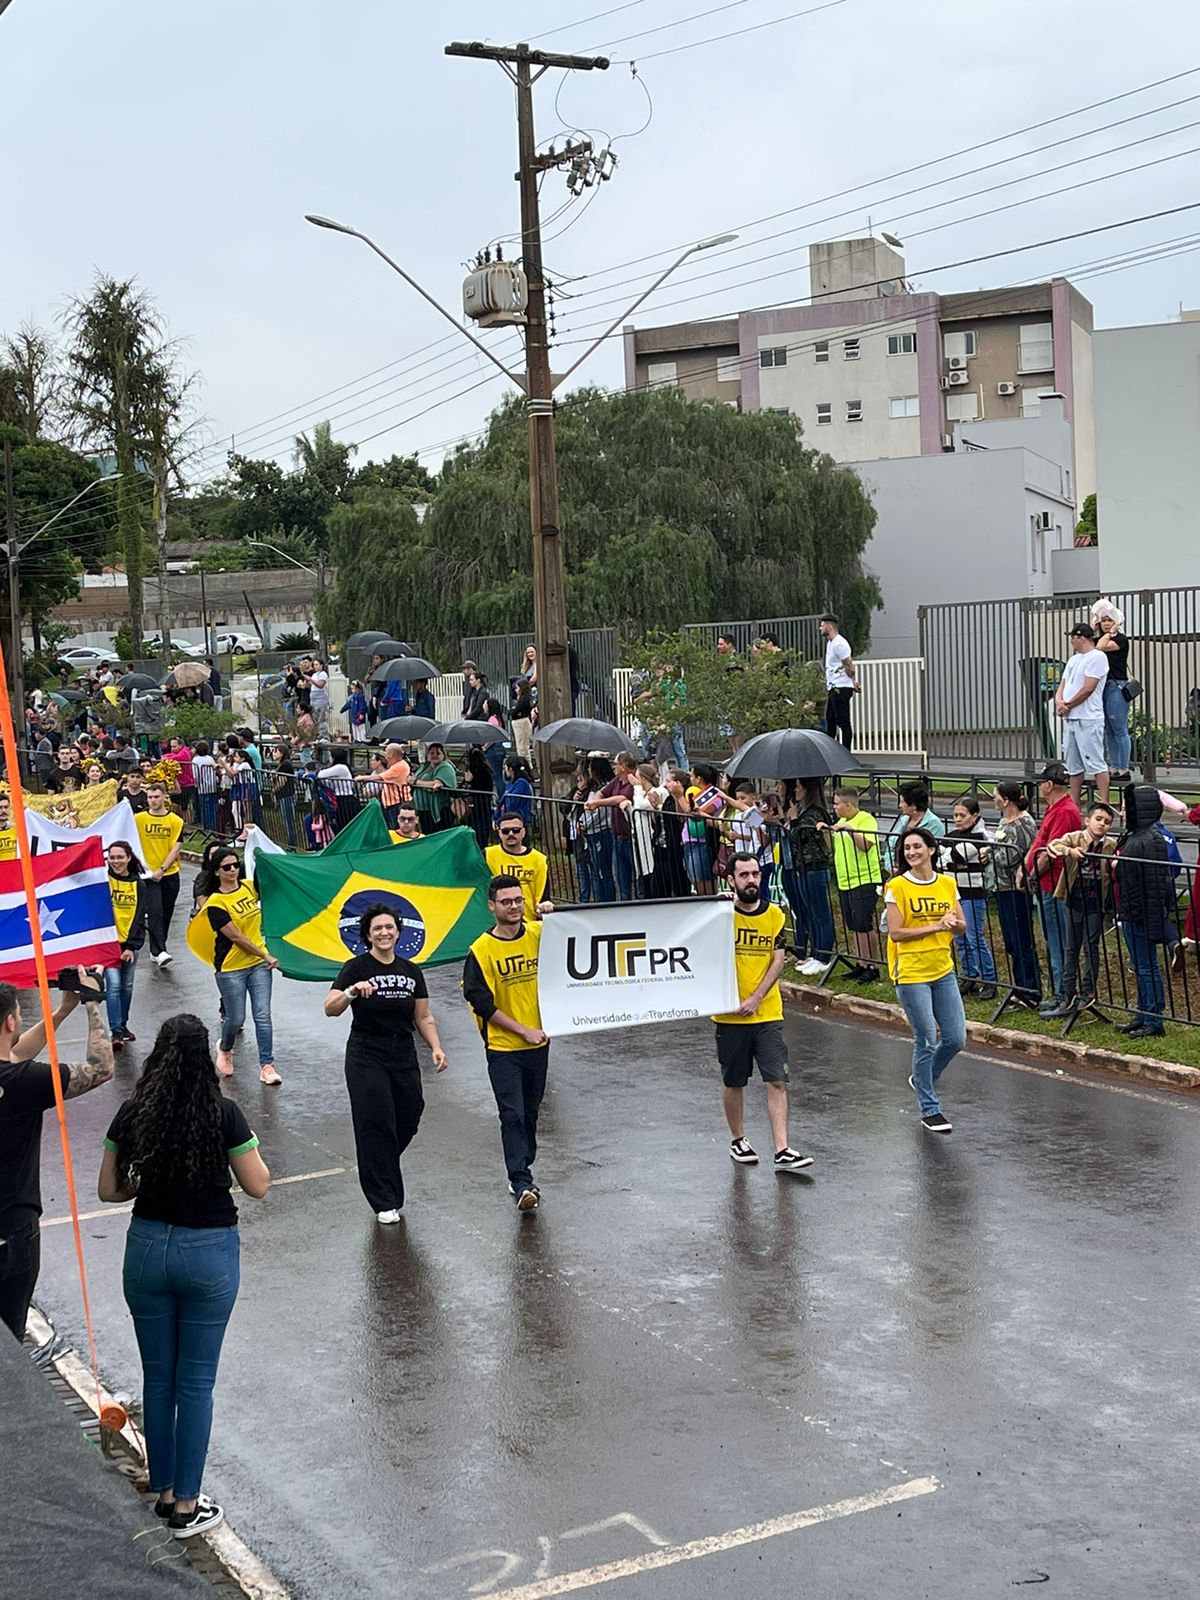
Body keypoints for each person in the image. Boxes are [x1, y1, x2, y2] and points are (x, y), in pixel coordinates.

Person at [96, 1014, 270, 1539]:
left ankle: (164, 1487)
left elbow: (109, 1190)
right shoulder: (224, 1114)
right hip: (208, 1252)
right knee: (196, 1382)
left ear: (158, 1055)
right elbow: (259, 1184)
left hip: (147, 1248)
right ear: (203, 1061)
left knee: (159, 1376)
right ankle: (187, 1505)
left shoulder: (133, 1114)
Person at [0, 968, 112, 1341]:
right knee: (10, 1343)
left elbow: (14, 1054)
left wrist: (62, 1012)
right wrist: (93, 1004)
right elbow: (100, 1069)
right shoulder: (23, 1083)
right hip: (12, 1231)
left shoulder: (16, 1076)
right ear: (12, 1020)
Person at [324, 905, 448, 1222]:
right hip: (366, 1052)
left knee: (410, 1113)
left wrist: (436, 1047)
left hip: (402, 1051)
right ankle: (384, 1201)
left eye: (389, 927)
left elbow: (423, 1015)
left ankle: (378, 1163)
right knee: (375, 1121)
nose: (384, 933)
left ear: (398, 931)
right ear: (367, 934)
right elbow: (330, 1008)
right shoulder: (355, 967)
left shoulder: (411, 971)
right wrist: (352, 992)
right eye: (377, 928)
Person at [714, 853, 812, 1174]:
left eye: (755, 873)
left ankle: (782, 1149)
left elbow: (778, 959)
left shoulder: (775, 915)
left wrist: (757, 997)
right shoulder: (720, 914)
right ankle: (738, 1138)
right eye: (743, 875)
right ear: (731, 880)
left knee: (777, 1080)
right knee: (734, 1081)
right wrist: (716, 905)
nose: (752, 880)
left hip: (767, 1013)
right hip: (729, 1016)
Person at [463, 874, 550, 1212]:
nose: (514, 907)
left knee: (530, 1114)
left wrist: (554, 916)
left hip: (539, 1043)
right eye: (506, 902)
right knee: (512, 1114)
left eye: (518, 900)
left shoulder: (540, 934)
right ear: (492, 905)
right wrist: (520, 1030)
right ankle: (521, 1181)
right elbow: (480, 1001)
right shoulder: (481, 950)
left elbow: (578, 942)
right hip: (503, 1048)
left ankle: (522, 1165)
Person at [885, 827, 967, 1134]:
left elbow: (962, 927)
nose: (911, 853)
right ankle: (930, 1109)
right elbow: (896, 933)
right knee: (926, 1037)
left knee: (956, 1038)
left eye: (917, 846)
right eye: (907, 848)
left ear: (931, 850)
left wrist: (953, 924)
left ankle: (923, 1077)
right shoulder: (897, 887)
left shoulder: (946, 884)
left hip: (942, 969)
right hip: (911, 972)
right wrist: (935, 926)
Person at [189, 851, 282, 1084]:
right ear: (217, 871)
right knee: (236, 1018)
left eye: (236, 865)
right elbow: (236, 937)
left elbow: (277, 888)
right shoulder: (215, 903)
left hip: (258, 965)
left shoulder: (249, 888)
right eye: (227, 867)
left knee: (262, 1015)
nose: (233, 870)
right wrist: (265, 954)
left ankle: (267, 1065)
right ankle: (226, 1047)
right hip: (231, 968)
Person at [1040, 802, 1117, 1018]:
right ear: (1087, 820)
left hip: (1095, 902)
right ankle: (1067, 995)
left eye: (1107, 822)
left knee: (1091, 946)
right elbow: (1053, 846)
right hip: (1074, 899)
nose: (1102, 824)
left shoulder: (1110, 845)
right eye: (1098, 819)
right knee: (1071, 947)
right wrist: (1070, 851)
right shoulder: (1076, 837)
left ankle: (1088, 991)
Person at [1113, 785, 1174, 1038]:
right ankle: (1142, 1014)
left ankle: (1154, 1019)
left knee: (1148, 967)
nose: (1123, 812)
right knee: (1139, 966)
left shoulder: (1152, 840)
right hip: (1130, 910)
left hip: (1142, 914)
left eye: (1128, 807)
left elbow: (1155, 884)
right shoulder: (1133, 836)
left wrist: (1153, 919)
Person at [1022, 761, 1082, 996]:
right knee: (1053, 939)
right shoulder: (1056, 809)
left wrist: (1031, 873)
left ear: (1048, 785)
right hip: (1047, 882)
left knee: (1058, 941)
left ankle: (1063, 993)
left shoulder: (1065, 811)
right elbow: (1040, 842)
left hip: (1055, 884)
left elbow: (1051, 851)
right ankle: (1060, 991)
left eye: (1041, 782)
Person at [822, 787, 882, 981]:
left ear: (848, 805)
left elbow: (866, 846)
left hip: (864, 878)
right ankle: (861, 962)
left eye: (837, 804)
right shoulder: (840, 822)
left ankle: (872, 965)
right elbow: (832, 849)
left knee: (864, 923)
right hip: (845, 880)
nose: (835, 807)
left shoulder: (866, 820)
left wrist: (851, 831)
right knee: (854, 924)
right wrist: (825, 832)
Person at [941, 796, 997, 1000]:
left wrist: (948, 856)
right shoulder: (952, 835)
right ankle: (969, 976)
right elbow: (939, 858)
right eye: (955, 815)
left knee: (974, 938)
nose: (957, 819)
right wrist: (948, 857)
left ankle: (990, 980)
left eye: (962, 815)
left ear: (975, 816)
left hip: (973, 894)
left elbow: (955, 856)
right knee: (960, 938)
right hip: (954, 894)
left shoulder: (979, 836)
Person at [990, 782, 1040, 1008]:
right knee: (1011, 939)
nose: (994, 800)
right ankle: (1020, 985)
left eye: (996, 796)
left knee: (1021, 939)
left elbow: (1009, 857)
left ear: (1006, 800)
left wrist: (988, 851)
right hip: (1001, 886)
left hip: (1015, 887)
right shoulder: (1004, 822)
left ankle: (1030, 988)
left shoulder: (1022, 824)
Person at [783, 779, 836, 977]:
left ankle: (824, 955)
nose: (795, 790)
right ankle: (815, 952)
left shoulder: (815, 812)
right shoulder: (805, 810)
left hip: (815, 866)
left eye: (798, 787)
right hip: (803, 867)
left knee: (821, 913)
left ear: (807, 790)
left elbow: (800, 836)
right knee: (812, 912)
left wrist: (795, 820)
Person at [1056, 623, 1110, 806]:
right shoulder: (1074, 659)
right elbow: (1063, 684)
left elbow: (1088, 688)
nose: (1071, 641)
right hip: (1071, 718)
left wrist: (1068, 705)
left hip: (1088, 718)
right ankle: (1074, 803)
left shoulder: (1097, 657)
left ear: (1080, 637)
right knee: (1073, 766)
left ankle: (1103, 802)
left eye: (1072, 637)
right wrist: (1059, 701)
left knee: (1096, 762)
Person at [135, 781, 184, 968]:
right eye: (150, 797)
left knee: (166, 912)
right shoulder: (138, 819)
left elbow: (176, 848)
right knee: (155, 911)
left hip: (169, 873)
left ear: (164, 797)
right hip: (148, 874)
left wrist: (162, 869)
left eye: (156, 797)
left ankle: (158, 947)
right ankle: (159, 950)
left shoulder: (176, 821)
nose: (153, 800)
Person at [106, 840, 147, 1046]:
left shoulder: (138, 884)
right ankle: (115, 1031)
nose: (116, 861)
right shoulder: (103, 881)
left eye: (120, 857)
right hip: (108, 945)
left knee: (127, 986)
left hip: (129, 944)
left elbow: (140, 917)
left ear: (129, 858)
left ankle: (122, 1025)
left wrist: (131, 946)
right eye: (112, 857)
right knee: (113, 986)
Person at [585, 750, 637, 901]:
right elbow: (602, 792)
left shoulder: (634, 780)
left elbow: (620, 798)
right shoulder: (616, 781)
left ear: (624, 766)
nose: (614, 767)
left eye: (616, 764)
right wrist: (593, 802)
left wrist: (597, 803)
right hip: (617, 838)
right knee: (622, 881)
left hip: (631, 839)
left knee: (637, 879)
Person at [668, 762, 725, 898]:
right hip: (688, 841)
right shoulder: (694, 793)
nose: (690, 778)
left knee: (703, 883)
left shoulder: (714, 795)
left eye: (692, 775)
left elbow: (695, 815)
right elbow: (682, 816)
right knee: (694, 878)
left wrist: (681, 797)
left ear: (699, 778)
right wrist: (678, 798)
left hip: (702, 843)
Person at [1093, 603, 1133, 784]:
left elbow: (1101, 647)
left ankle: (1123, 767)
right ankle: (1114, 766)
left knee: (1119, 728)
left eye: (1109, 620)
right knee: (1108, 729)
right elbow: (1094, 648)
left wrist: (1110, 632)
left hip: (1116, 684)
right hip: (1103, 686)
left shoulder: (1121, 639)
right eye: (1103, 621)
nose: (1106, 624)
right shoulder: (1097, 639)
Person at [485, 813, 550, 921]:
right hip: (498, 925)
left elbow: (543, 894)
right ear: (499, 833)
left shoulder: (539, 859)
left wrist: (544, 906)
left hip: (529, 924)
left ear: (523, 832)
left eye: (516, 830)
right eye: (505, 831)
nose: (511, 834)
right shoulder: (488, 855)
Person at [884, 780, 945, 871]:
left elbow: (930, 854)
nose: (899, 805)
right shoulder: (903, 820)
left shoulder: (934, 824)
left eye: (902, 802)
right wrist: (890, 867)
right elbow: (891, 845)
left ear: (913, 805)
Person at [819, 613, 858, 751]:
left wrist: (853, 682)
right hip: (833, 687)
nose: (820, 628)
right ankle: (831, 752)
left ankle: (846, 752)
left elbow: (849, 665)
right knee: (831, 721)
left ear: (829, 626)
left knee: (843, 721)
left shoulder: (839, 644)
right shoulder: (830, 643)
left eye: (822, 625)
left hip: (841, 688)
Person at [359, 741, 410, 828]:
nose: (385, 755)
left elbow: (380, 777)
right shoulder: (395, 765)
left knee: (396, 828)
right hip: (391, 802)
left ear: (391, 754)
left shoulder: (399, 766)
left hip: (397, 803)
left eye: (386, 752)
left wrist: (362, 778)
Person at [410, 741, 457, 832]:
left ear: (444, 755)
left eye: (438, 753)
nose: (434, 755)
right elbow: (414, 779)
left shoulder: (445, 767)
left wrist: (416, 782)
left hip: (439, 809)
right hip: (423, 810)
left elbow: (436, 784)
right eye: (432, 753)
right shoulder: (425, 766)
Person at [495, 753, 534, 828]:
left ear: (510, 769)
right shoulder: (510, 784)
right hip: (508, 818)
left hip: (519, 819)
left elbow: (512, 802)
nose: (505, 770)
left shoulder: (522, 783)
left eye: (505, 767)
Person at [191, 741, 219, 832]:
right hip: (212, 785)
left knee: (205, 806)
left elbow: (196, 775)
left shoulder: (195, 760)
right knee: (212, 806)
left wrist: (196, 784)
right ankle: (213, 824)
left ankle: (206, 825)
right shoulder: (210, 758)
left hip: (203, 786)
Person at [509, 675, 534, 762]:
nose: (515, 690)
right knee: (520, 747)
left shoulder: (524, 700)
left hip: (521, 723)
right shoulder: (521, 700)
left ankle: (526, 766)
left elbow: (514, 712)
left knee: (522, 748)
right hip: (519, 722)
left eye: (517, 688)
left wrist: (514, 710)